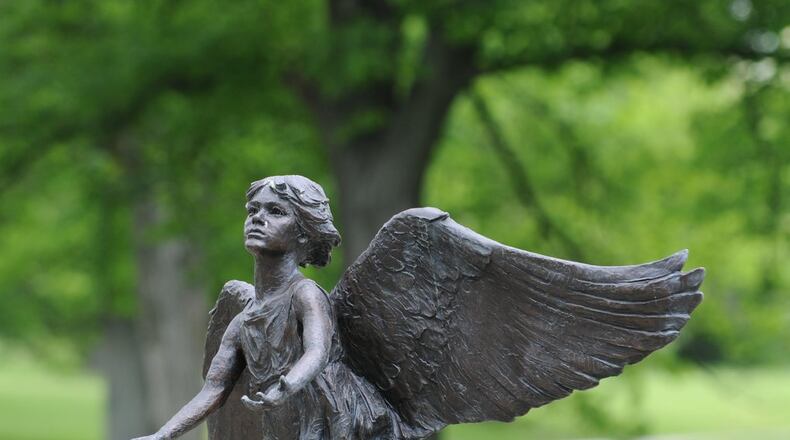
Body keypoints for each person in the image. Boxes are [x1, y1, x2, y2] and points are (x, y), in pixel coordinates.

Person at [132, 175, 403, 440]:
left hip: (330, 418)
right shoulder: (243, 320)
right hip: (282, 419)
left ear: (304, 234)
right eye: (253, 209)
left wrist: (288, 384)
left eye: (275, 211)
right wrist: (162, 434)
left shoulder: (305, 294)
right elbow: (213, 389)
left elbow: (317, 351)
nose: (257, 218)